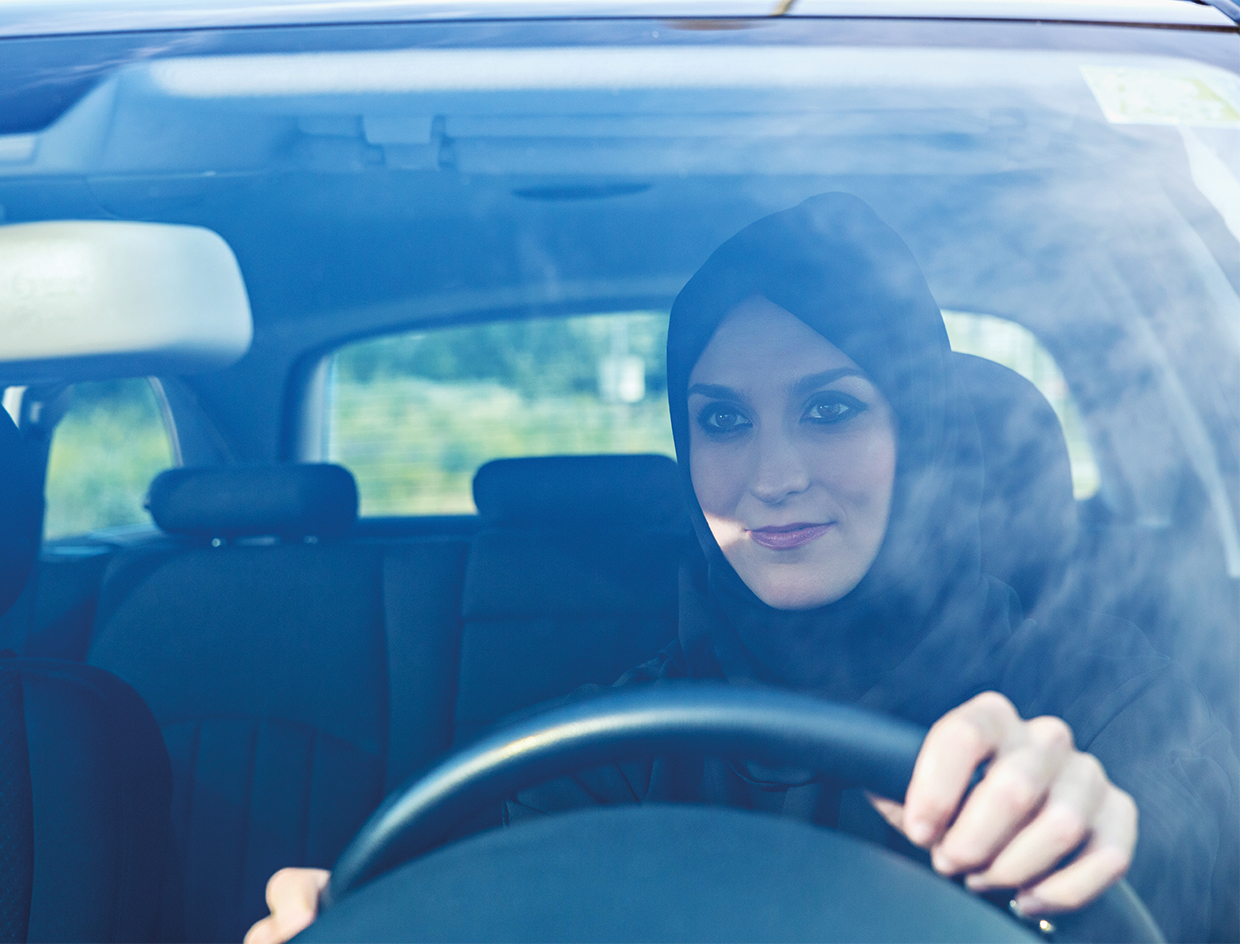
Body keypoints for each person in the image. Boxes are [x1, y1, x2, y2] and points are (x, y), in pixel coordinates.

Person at [246, 193, 1238, 944]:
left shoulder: (1104, 696)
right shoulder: (615, 744)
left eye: (830, 407)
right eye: (721, 420)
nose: (771, 476)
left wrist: (1096, 848)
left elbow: (1186, 854)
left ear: (922, 428)